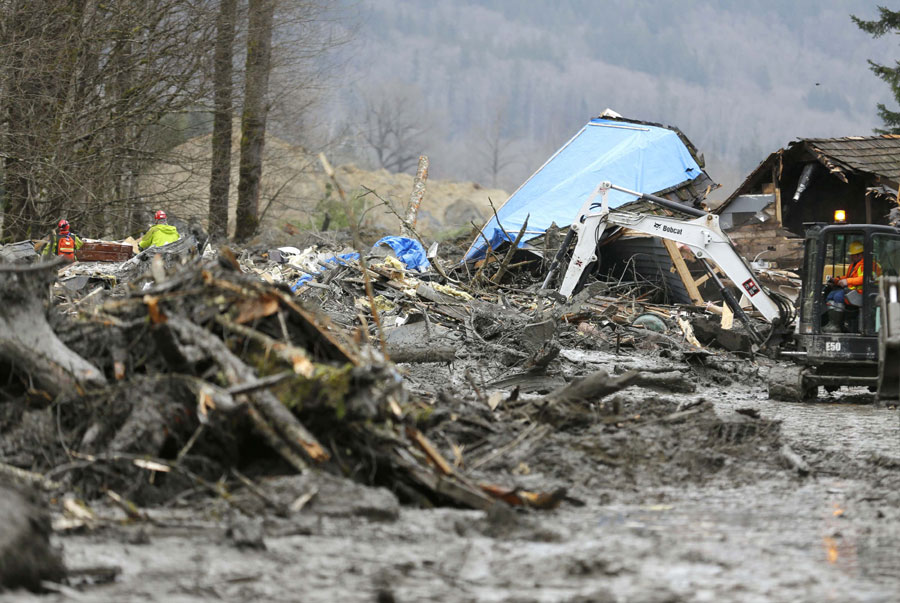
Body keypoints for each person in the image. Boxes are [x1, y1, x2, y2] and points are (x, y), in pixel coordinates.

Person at [823, 241, 881, 332]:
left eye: (853, 255)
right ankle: (832, 322)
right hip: (853, 290)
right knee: (831, 295)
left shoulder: (870, 265)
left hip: (865, 293)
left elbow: (863, 279)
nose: (850, 257)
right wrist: (837, 280)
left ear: (860, 255)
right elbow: (848, 277)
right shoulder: (854, 265)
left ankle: (836, 325)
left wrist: (847, 281)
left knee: (838, 296)